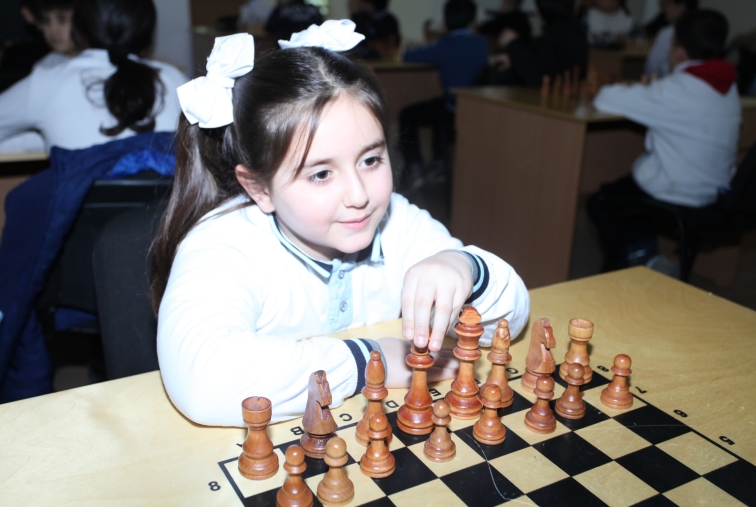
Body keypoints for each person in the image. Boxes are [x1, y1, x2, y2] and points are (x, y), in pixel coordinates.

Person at [153, 22, 529, 427]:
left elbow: (507, 324)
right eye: (320, 174)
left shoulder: (398, 221)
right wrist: (368, 360)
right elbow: (204, 383)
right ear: (259, 188)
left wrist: (465, 268)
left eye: (370, 160)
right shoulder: (222, 244)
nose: (358, 195)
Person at [587, 10, 740, 271]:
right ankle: (647, 255)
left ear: (679, 52)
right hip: (716, 192)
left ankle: (640, 262)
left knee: (603, 201)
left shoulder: (677, 89)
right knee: (629, 191)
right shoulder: (729, 88)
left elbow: (605, 98)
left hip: (680, 191)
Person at [0, 0, 187, 153]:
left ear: (78, 30)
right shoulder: (177, 82)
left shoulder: (45, 82)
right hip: (163, 189)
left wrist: (43, 137)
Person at [398, 0, 488, 187]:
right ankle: (438, 164)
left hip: (453, 108)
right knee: (437, 107)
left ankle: (415, 168)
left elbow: (409, 56)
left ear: (446, 22)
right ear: (472, 21)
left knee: (407, 114)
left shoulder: (445, 44)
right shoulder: (482, 43)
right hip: (476, 107)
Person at [491, 0, 588, 87]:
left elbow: (536, 75)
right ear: (574, 8)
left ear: (539, 13)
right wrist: (514, 59)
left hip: (546, 96)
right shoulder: (576, 34)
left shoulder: (553, 38)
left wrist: (513, 45)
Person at [645, 0, 698, 78]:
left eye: (668, 5)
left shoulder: (668, 33)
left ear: (681, 7)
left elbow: (652, 68)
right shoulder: (703, 31)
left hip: (668, 79)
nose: (665, 9)